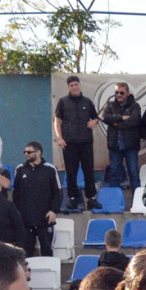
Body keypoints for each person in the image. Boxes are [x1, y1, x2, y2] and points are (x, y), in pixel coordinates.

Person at [50, 76, 100, 211]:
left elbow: (96, 118)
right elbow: (57, 121)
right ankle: (73, 199)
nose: (74, 87)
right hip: (69, 143)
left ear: (80, 85)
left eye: (76, 84)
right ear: (68, 87)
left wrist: (94, 122)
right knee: (71, 173)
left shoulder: (87, 102)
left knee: (88, 171)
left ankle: (91, 199)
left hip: (86, 142)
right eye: (71, 85)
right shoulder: (63, 102)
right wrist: (60, 138)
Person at [10, 142, 60, 258]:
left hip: (45, 219)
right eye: (24, 152)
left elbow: (57, 193)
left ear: (38, 153)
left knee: (47, 251)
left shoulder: (50, 169)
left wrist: (53, 210)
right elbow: (16, 194)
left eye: (29, 152)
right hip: (26, 221)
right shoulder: (20, 169)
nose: (26, 154)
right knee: (26, 254)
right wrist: (18, 214)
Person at [100, 82, 144, 191]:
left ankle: (137, 201)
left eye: (121, 92)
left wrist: (116, 124)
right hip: (115, 145)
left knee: (133, 173)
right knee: (114, 173)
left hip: (131, 146)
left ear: (128, 93)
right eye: (116, 92)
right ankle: (115, 202)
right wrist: (122, 117)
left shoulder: (135, 106)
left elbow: (134, 121)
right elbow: (105, 118)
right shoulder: (110, 105)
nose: (118, 95)